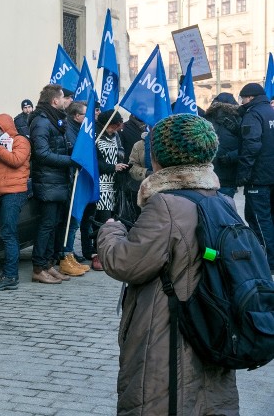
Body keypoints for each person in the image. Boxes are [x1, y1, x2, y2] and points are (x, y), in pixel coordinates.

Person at [97, 114, 238, 415]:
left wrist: (111, 230)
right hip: (211, 327)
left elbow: (125, 263)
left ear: (161, 158)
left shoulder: (166, 205)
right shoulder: (222, 200)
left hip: (168, 331)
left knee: (165, 399)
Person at [28, 84, 74, 284]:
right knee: (46, 225)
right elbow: (42, 154)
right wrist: (70, 161)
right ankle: (38, 267)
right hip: (47, 181)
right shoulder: (41, 122)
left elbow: (59, 146)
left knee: (54, 224)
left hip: (57, 181)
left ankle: (48, 264)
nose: (66, 101)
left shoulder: (55, 120)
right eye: (64, 97)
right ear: (55, 101)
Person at [0, 113, 31, 290]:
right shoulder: (1, 144)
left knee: (9, 234)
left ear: (6, 127)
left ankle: (11, 276)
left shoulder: (20, 141)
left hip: (14, 193)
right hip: (1, 193)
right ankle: (8, 275)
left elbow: (16, 161)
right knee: (6, 233)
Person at [236, 83, 274, 272]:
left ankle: (268, 263)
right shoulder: (271, 111)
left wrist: (243, 174)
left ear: (249, 97)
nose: (241, 102)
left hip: (258, 178)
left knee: (259, 219)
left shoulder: (253, 114)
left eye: (242, 98)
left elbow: (251, 146)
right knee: (269, 218)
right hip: (271, 175)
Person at [89, 110, 127, 271]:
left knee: (113, 218)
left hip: (114, 182)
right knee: (102, 218)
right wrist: (112, 166)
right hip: (102, 181)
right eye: (112, 128)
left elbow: (121, 151)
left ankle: (110, 251)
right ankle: (97, 252)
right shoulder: (96, 136)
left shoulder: (115, 136)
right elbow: (93, 161)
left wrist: (121, 162)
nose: (114, 131)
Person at [58, 101, 89, 276]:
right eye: (85, 114)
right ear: (77, 116)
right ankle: (65, 256)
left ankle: (69, 254)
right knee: (71, 220)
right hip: (70, 180)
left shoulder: (78, 129)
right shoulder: (70, 130)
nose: (87, 118)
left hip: (75, 179)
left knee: (74, 221)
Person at [205, 92, 241, 198]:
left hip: (208, 173)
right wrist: (232, 157)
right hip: (229, 173)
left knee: (209, 209)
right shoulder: (239, 119)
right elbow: (248, 145)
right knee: (227, 207)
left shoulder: (206, 119)